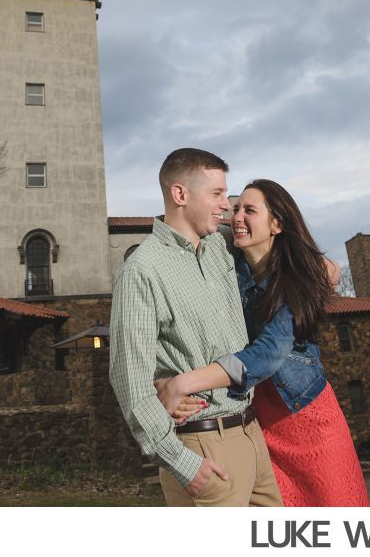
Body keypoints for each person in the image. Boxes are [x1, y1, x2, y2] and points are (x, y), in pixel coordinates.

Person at [154, 179, 370, 506]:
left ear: (277, 224)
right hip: (256, 417)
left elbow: (267, 354)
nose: (237, 216)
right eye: (236, 208)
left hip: (306, 415)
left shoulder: (299, 281)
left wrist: (183, 383)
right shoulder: (229, 261)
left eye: (250, 210)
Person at [109, 148, 282, 507]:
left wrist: (321, 262)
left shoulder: (220, 246)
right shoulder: (142, 271)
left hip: (252, 435)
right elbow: (130, 382)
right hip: (204, 447)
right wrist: (182, 464)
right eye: (217, 194)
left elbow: (270, 234)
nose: (227, 205)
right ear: (180, 194)